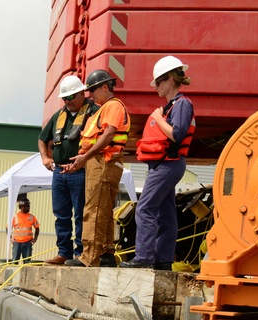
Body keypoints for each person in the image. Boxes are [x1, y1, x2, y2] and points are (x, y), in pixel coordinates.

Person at [121, 56, 195, 269]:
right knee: (166, 213)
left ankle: (144, 258)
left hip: (168, 164)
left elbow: (178, 135)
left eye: (159, 82)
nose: (156, 87)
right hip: (166, 164)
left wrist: (159, 118)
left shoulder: (182, 104)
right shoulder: (173, 105)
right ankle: (163, 261)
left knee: (144, 208)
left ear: (170, 80)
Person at [63, 69, 130, 267]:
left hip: (104, 162)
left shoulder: (113, 106)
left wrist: (85, 158)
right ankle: (106, 254)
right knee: (104, 209)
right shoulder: (104, 108)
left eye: (93, 89)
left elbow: (108, 135)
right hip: (101, 162)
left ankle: (89, 256)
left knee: (94, 209)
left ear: (104, 87)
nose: (90, 94)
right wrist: (80, 160)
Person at [38, 74, 98, 264]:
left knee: (81, 213)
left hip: (80, 171)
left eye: (70, 97)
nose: (67, 101)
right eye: (64, 98)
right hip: (59, 173)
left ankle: (81, 252)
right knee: (61, 214)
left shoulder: (94, 111)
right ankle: (64, 252)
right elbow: (42, 138)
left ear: (82, 93)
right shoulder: (59, 115)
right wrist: (45, 157)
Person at [11, 197, 40, 262]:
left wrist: (35, 238)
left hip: (28, 243)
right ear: (21, 207)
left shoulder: (32, 217)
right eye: (26, 206)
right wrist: (10, 238)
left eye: (28, 206)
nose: (28, 207)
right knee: (14, 261)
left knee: (27, 263)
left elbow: (37, 228)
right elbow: (8, 228)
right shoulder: (15, 217)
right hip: (17, 243)